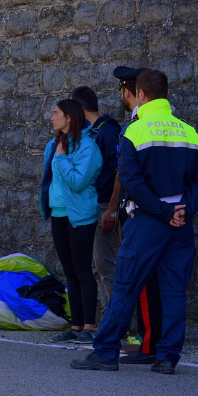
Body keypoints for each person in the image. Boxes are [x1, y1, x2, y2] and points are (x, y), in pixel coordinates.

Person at [72, 69, 198, 374]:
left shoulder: (134, 131)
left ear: (142, 94)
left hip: (148, 222)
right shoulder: (190, 132)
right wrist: (183, 210)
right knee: (173, 291)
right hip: (180, 226)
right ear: (168, 94)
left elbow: (131, 181)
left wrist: (163, 212)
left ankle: (105, 353)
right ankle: (167, 357)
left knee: (125, 287)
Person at [109, 66, 163, 364]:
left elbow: (127, 175)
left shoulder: (138, 125)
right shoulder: (164, 123)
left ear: (130, 92)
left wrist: (116, 209)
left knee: (142, 283)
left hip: (143, 212)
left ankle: (148, 344)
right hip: (161, 212)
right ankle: (153, 343)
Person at [39, 99, 103, 344]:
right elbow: (49, 180)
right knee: (70, 272)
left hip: (80, 215)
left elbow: (77, 182)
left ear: (69, 118)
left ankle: (89, 327)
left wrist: (62, 157)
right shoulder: (53, 145)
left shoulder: (88, 147)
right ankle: (76, 327)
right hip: (58, 214)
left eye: (56, 113)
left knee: (83, 271)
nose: (52, 117)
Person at [69, 86, 121, 315]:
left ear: (80, 108)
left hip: (103, 206)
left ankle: (115, 321)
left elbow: (121, 171)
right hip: (89, 206)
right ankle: (107, 318)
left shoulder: (107, 131)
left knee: (104, 264)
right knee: (94, 266)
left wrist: (111, 209)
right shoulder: (88, 133)